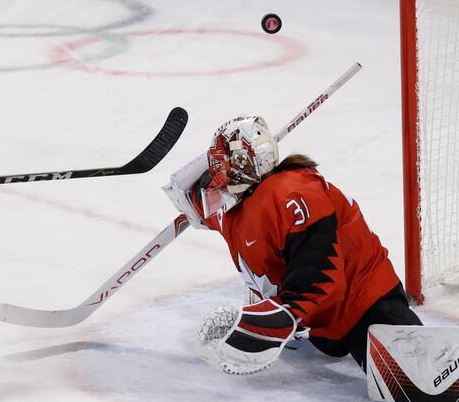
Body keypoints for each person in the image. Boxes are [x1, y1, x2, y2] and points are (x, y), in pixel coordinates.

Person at [162, 115, 421, 375]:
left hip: (363, 305)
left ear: (245, 162)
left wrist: (284, 315)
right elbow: (186, 196)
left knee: (415, 372)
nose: (217, 174)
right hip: (318, 324)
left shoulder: (293, 190)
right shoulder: (230, 210)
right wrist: (192, 177)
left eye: (223, 162)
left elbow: (318, 265)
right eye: (215, 165)